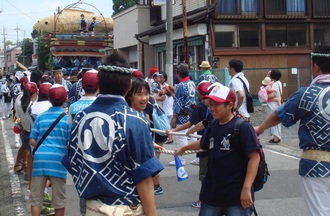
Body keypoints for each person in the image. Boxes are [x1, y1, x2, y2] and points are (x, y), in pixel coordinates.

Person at [63, 50, 164, 215]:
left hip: (91, 207)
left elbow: (73, 163)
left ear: (100, 83)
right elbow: (144, 179)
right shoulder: (135, 120)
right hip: (126, 208)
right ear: (129, 85)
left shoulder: (81, 117)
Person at [255, 45, 330, 216]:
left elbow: (280, 113)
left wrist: (260, 128)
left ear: (315, 67)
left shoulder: (306, 94)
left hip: (316, 166)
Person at [195, 83, 260, 215]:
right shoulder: (213, 124)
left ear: (230, 105)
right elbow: (203, 143)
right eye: (211, 104)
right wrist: (182, 149)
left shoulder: (242, 127)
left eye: (216, 104)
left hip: (236, 196)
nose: (212, 108)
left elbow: (255, 157)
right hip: (211, 194)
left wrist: (246, 188)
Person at [29, 84, 69, 216]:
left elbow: (32, 140)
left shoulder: (41, 117)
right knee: (59, 200)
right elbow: (70, 142)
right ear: (66, 99)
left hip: (40, 159)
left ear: (49, 99)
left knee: (36, 199)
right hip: (58, 161)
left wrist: (41, 148)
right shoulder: (67, 119)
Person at [125, 77, 164, 196]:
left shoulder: (141, 115)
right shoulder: (127, 117)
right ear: (130, 95)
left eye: (147, 94)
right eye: (139, 94)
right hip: (133, 173)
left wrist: (152, 144)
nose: (144, 98)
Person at [67, 70, 99, 216]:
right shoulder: (101, 106)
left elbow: (70, 133)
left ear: (82, 86)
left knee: (84, 190)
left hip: (81, 155)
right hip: (100, 154)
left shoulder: (73, 107)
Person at [169, 63, 196, 166]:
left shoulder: (180, 86)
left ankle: (181, 158)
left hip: (182, 114)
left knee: (181, 136)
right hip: (192, 112)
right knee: (192, 134)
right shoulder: (192, 83)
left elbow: (178, 102)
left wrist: (174, 116)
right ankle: (196, 156)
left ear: (178, 74)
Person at [266, 69, 283, 143]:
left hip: (273, 105)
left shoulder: (275, 84)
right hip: (277, 104)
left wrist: (265, 96)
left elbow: (272, 95)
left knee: (273, 120)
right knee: (277, 121)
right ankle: (277, 136)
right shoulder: (279, 83)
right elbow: (267, 81)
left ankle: (276, 138)